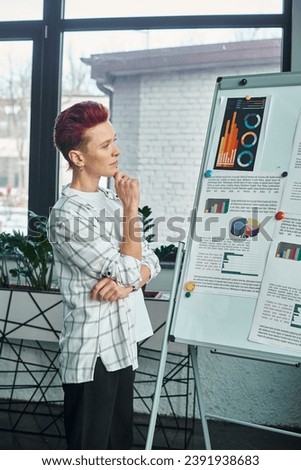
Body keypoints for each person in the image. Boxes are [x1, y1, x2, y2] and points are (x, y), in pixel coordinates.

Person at [47, 101, 160, 450]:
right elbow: (131, 265)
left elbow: (150, 260)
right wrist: (131, 211)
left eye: (115, 140)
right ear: (78, 158)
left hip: (122, 344)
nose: (117, 150)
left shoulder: (110, 201)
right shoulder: (68, 215)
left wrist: (128, 281)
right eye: (105, 145)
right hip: (92, 353)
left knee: (118, 447)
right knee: (90, 449)